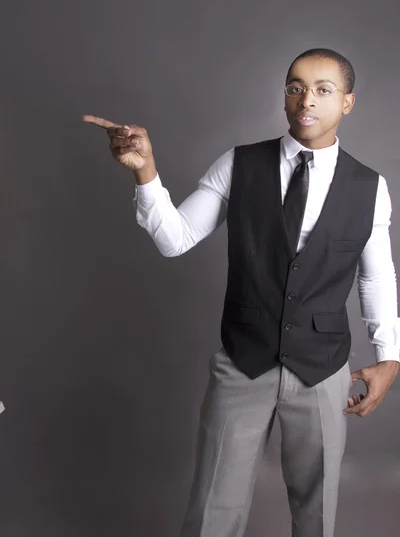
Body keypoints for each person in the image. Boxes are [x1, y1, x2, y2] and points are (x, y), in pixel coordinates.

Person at [83, 48, 400, 537]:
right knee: (213, 508)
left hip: (322, 367)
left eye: (322, 89)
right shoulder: (240, 163)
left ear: (348, 102)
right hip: (243, 361)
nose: (305, 100)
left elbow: (375, 277)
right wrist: (144, 170)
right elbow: (175, 239)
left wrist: (389, 355)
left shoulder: (370, 186)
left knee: (316, 514)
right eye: (295, 87)